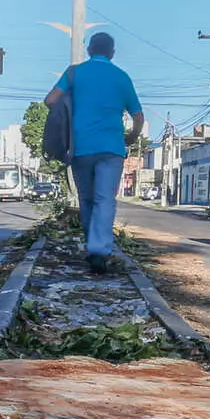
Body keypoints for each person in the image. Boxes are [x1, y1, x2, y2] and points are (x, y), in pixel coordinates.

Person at [45, 32, 143, 274]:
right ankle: (99, 249)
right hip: (112, 149)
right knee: (105, 200)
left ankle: (93, 248)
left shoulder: (74, 73)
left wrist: (73, 106)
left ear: (89, 49)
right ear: (112, 53)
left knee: (87, 200)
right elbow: (138, 117)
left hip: (81, 148)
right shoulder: (122, 77)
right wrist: (131, 136)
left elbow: (50, 100)